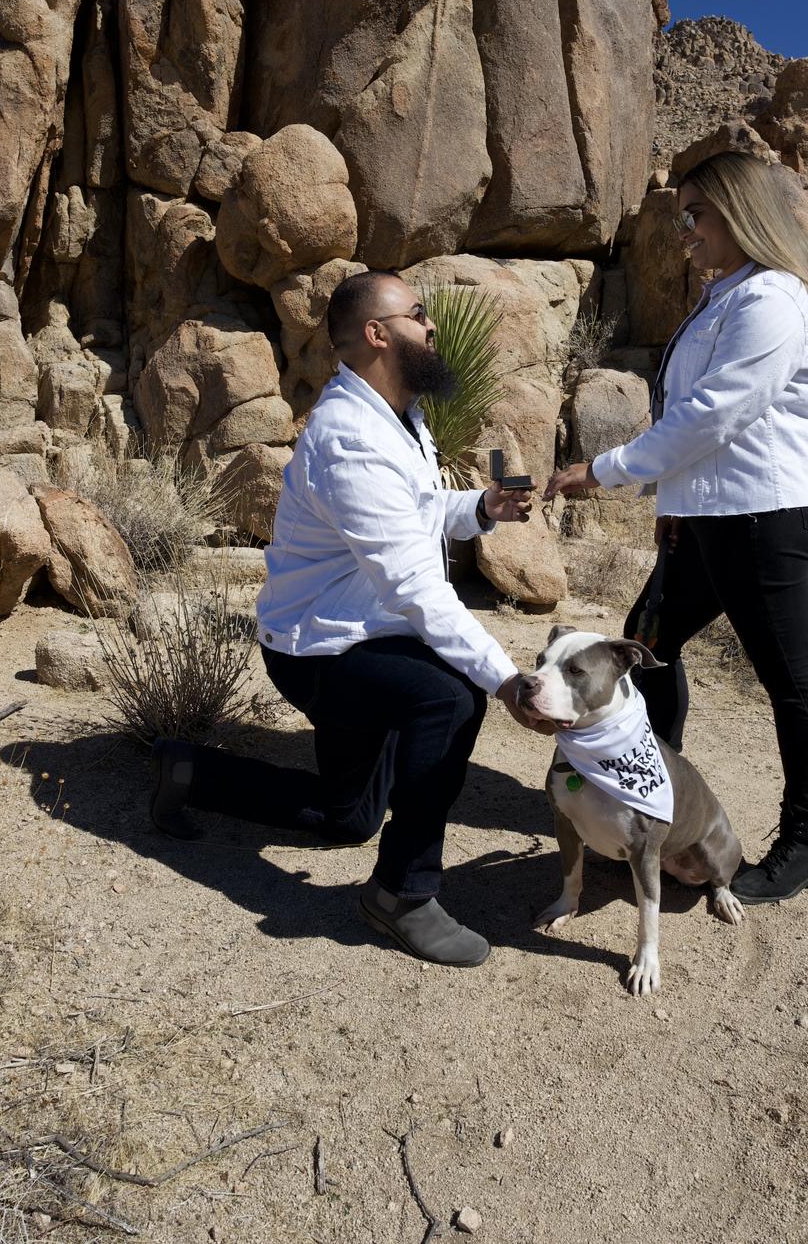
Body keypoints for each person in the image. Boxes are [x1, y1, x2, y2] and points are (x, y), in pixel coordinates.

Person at [150, 270, 543, 967]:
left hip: (360, 631)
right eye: (418, 315)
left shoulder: (400, 417)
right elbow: (417, 587)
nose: (430, 327)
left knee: (349, 816)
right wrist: (507, 680)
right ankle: (401, 894)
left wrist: (478, 509)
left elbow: (417, 514)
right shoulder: (348, 440)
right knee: (450, 697)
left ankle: (189, 774)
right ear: (377, 333)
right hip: (317, 648)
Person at [545, 151, 808, 906]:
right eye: (682, 217)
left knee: (789, 678)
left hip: (763, 515)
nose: (685, 232)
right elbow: (689, 421)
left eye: (696, 215)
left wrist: (605, 470)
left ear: (742, 213)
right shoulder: (725, 299)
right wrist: (671, 508)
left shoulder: (773, 300)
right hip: (708, 516)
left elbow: (716, 416)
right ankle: (650, 801)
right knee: (646, 644)